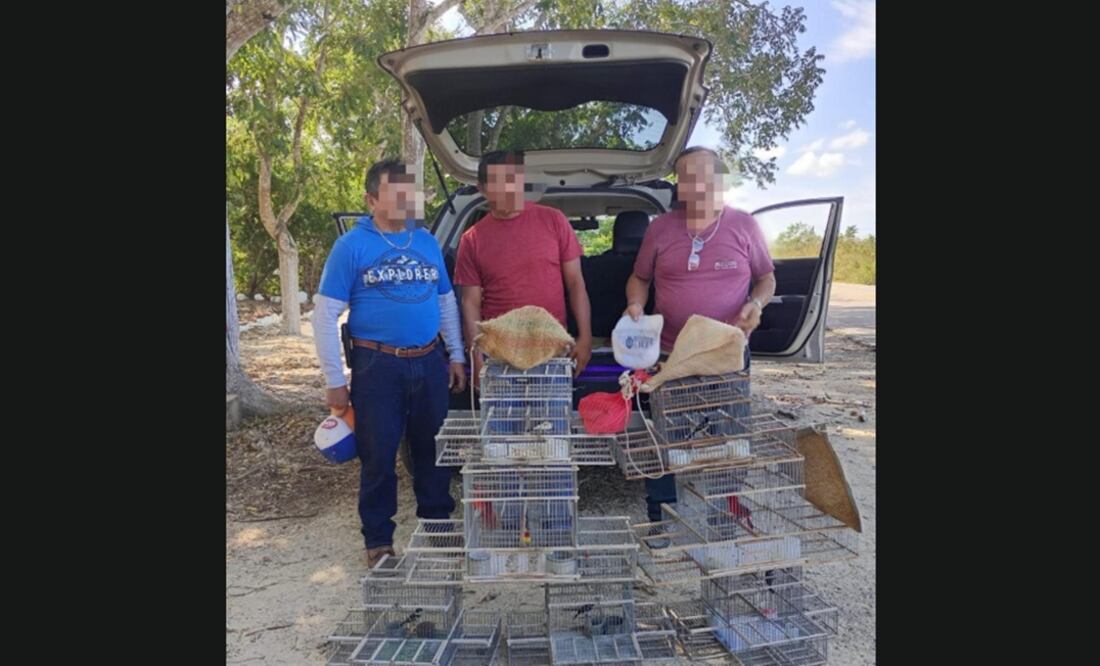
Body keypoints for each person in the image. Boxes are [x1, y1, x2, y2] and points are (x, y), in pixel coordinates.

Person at [312, 158, 466, 568]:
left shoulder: (426, 242)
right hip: (376, 366)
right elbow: (324, 316)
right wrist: (334, 380)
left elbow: (445, 302)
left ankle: (437, 524)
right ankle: (378, 540)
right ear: (371, 199)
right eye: (395, 191)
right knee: (378, 456)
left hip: (429, 362)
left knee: (434, 450)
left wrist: (455, 353)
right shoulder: (351, 246)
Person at [625, 146, 777, 529]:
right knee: (665, 440)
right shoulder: (660, 228)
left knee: (731, 438)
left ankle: (723, 517)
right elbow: (639, 278)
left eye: (702, 175)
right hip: (671, 355)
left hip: (727, 354)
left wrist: (756, 303)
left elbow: (766, 278)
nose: (694, 184)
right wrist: (636, 305)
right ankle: (661, 519)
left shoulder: (744, 225)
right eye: (685, 177)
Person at [454, 150, 593, 383]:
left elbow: (576, 283)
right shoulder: (472, 239)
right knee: (501, 411)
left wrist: (585, 337)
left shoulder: (554, 220)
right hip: (499, 357)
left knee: (553, 409)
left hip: (552, 350)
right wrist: (476, 358)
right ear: (483, 188)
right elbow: (470, 303)